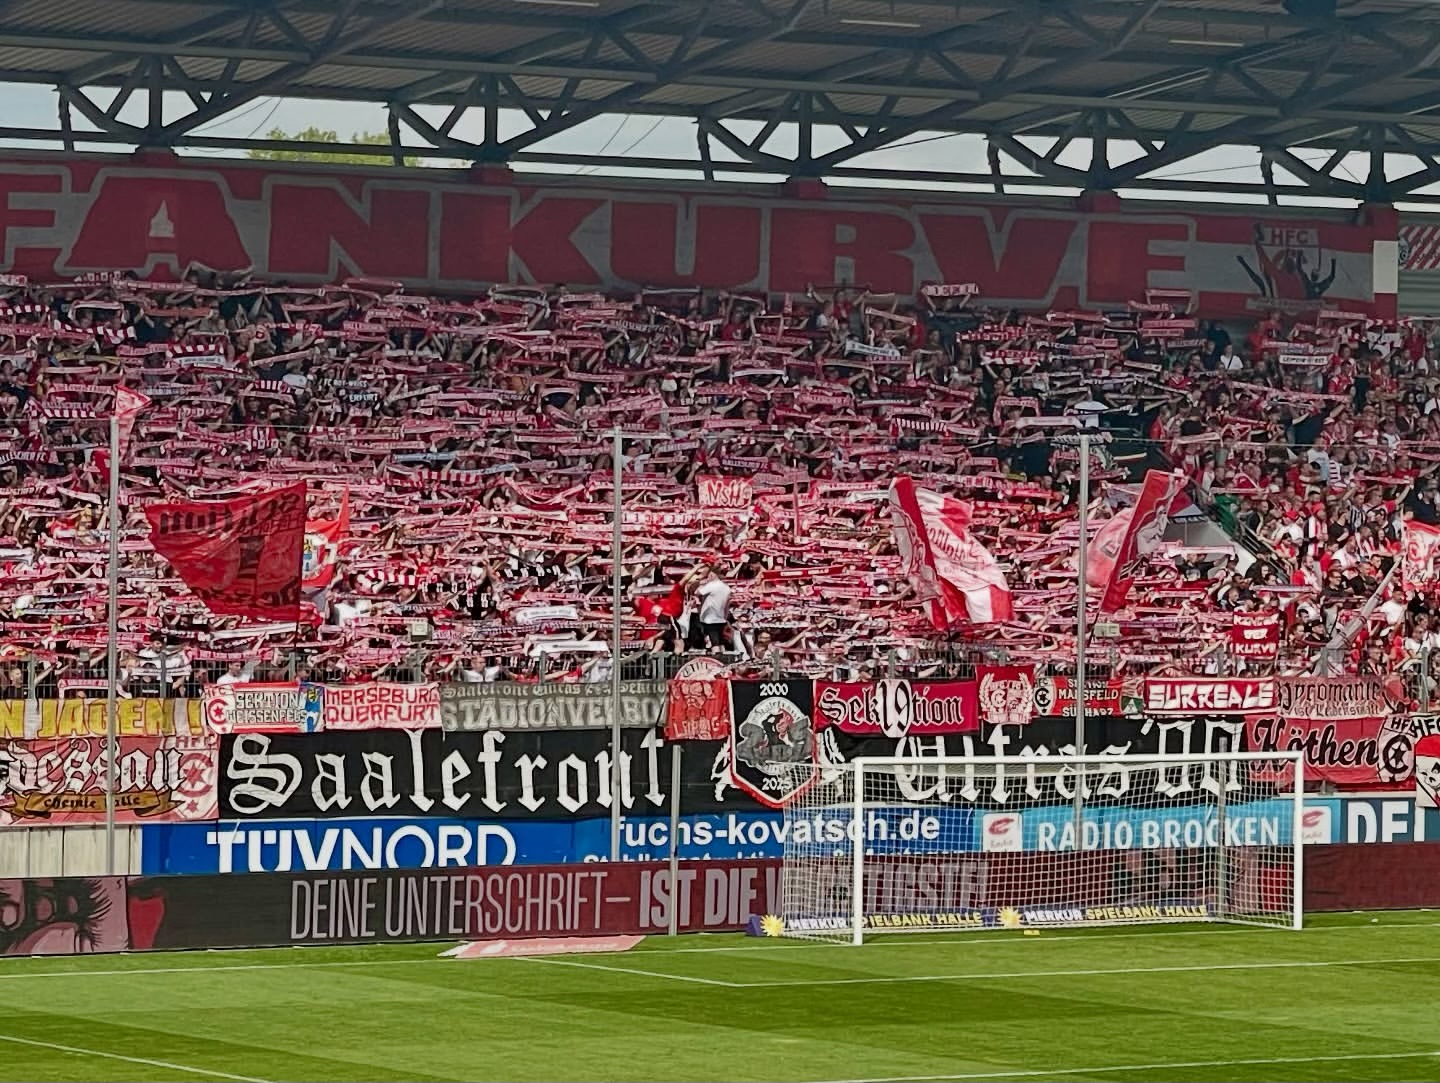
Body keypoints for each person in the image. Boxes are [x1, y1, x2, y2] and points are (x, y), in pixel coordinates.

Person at [692, 565, 732, 651]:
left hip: (710, 619)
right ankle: (723, 659)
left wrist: (702, 583)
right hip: (721, 618)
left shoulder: (711, 585)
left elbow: (697, 592)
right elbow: (727, 604)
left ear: (712, 574)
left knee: (715, 642)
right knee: (720, 642)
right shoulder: (726, 587)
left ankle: (716, 658)